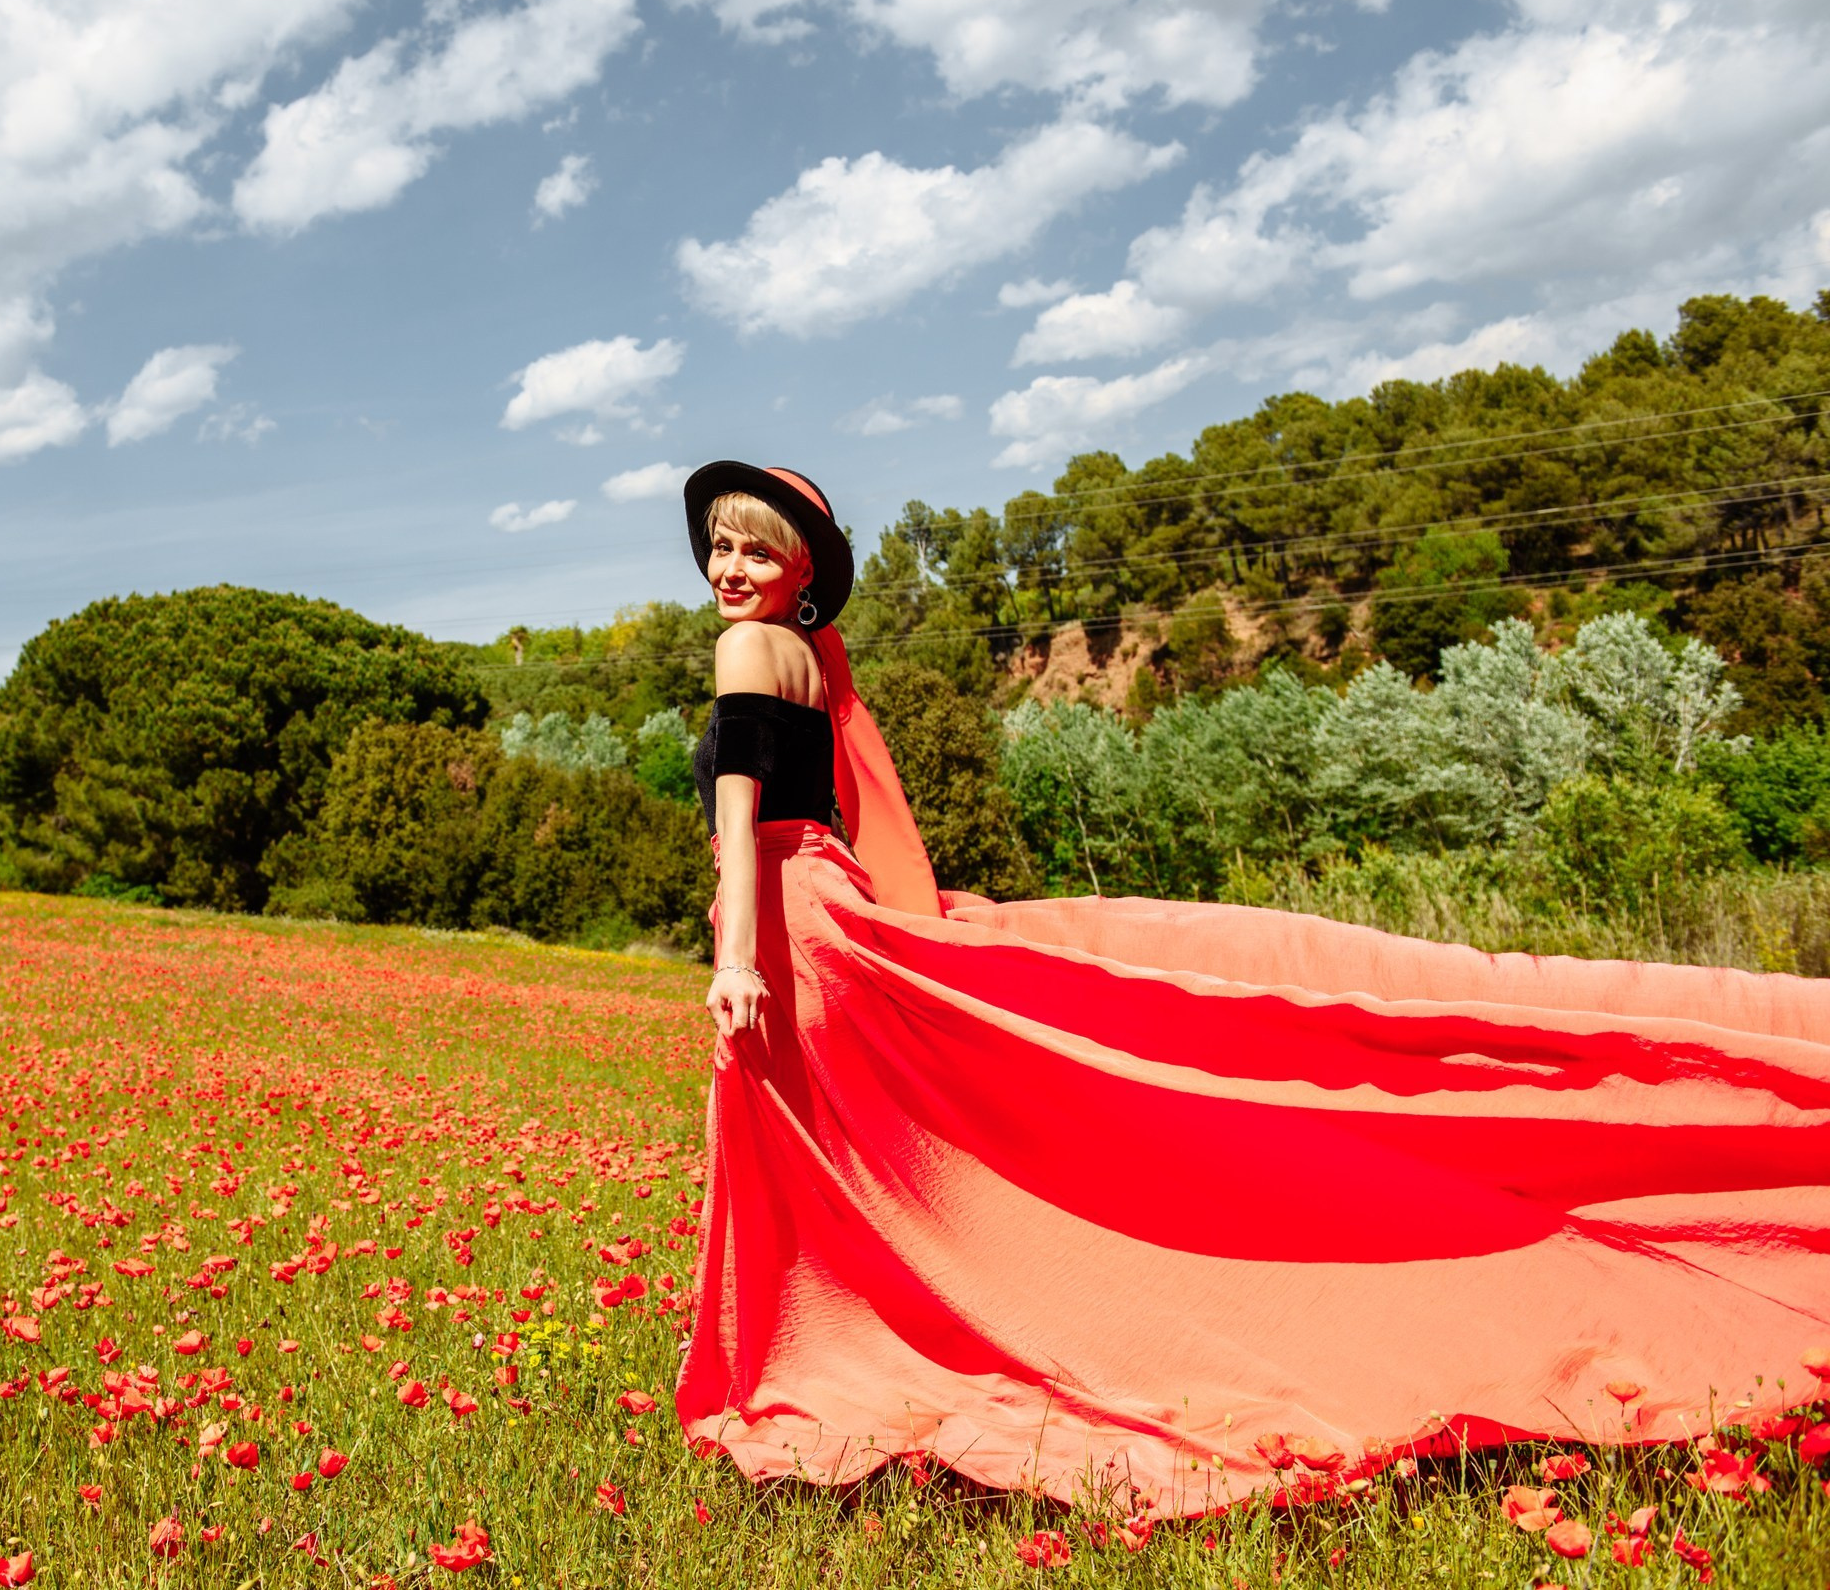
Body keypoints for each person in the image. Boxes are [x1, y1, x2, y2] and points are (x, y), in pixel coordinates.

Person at [673, 460, 1830, 1518]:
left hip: (788, 931)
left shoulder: (746, 654)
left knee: (822, 1163)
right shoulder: (815, 659)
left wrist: (735, 960)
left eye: (757, 549)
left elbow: (742, 808)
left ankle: (832, 1355)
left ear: (803, 568)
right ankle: (859, 1340)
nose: (731, 567)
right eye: (720, 545)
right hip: (823, 911)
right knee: (856, 1161)